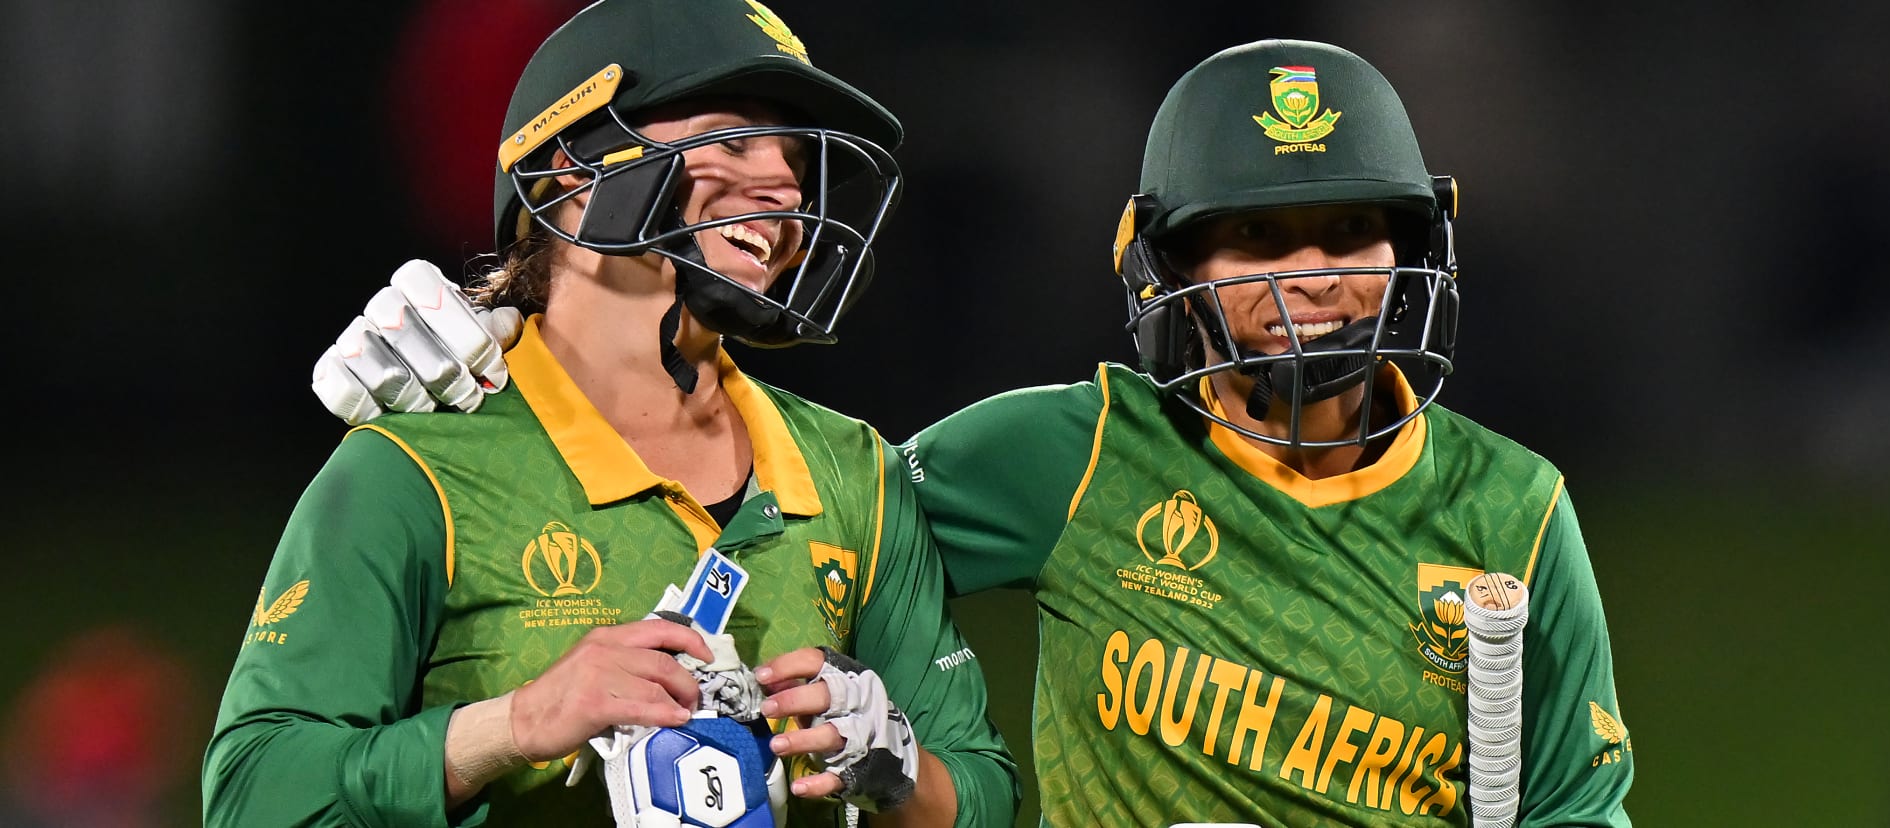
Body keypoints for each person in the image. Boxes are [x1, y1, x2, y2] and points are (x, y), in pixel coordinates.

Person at [315, 38, 1633, 827]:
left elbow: (1581, 804)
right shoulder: (1071, 458)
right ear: (1169, 264)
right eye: (1252, 239)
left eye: (1349, 232)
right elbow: (787, 499)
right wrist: (508, 344)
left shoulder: (1510, 513)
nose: (1307, 278)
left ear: (1414, 249)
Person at [205, 1, 1018, 826]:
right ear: (572, 163)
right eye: (734, 138)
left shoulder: (856, 474)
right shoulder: (417, 466)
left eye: (794, 154)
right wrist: (516, 724)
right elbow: (251, 795)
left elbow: (984, 794)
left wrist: (902, 774)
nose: (784, 184)